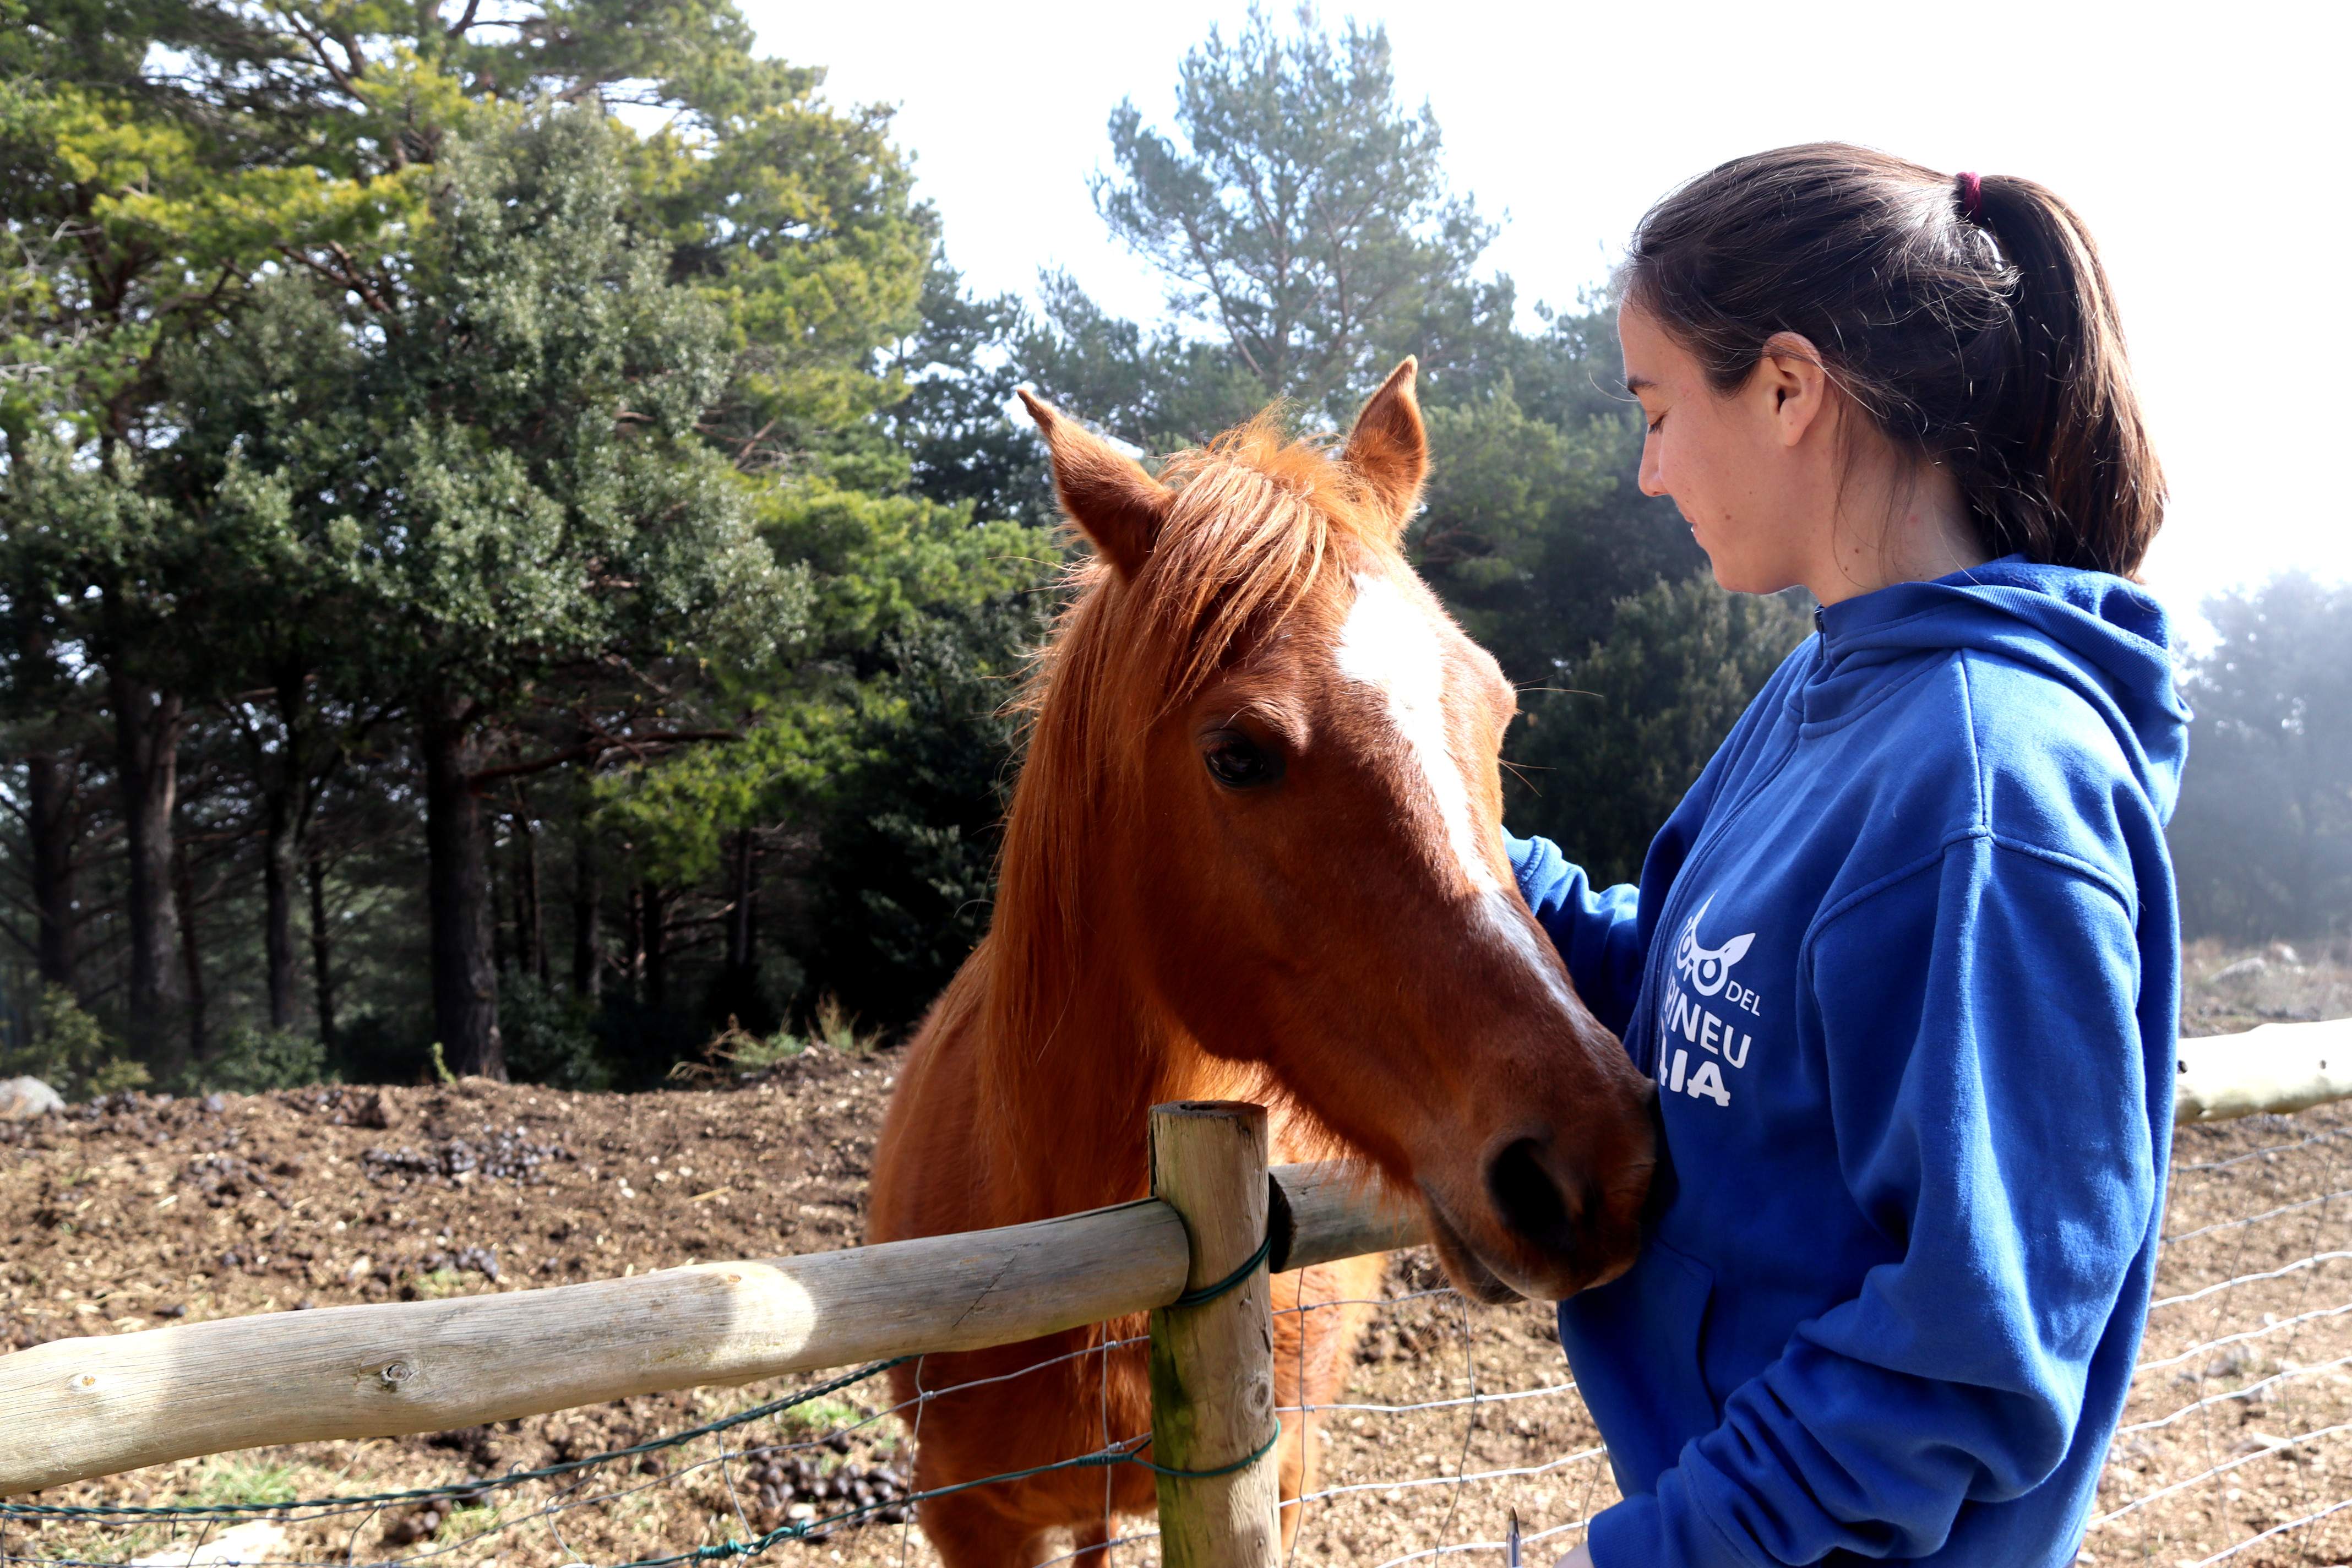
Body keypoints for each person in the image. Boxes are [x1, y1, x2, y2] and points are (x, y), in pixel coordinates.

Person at [1513, 144, 2187, 1567]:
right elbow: (1699, 1002)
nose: (1645, 473)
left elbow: (1963, 1352)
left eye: (1655, 410)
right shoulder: (1834, 688)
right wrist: (1437, 848)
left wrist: (1649, 1557)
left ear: (1785, 387)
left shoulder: (1987, 790)